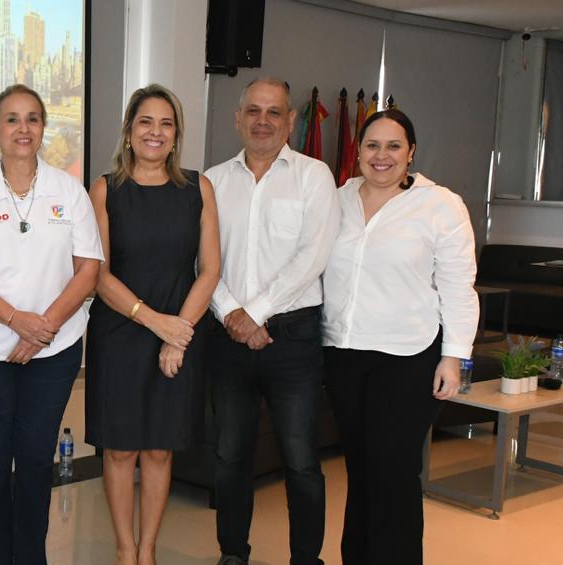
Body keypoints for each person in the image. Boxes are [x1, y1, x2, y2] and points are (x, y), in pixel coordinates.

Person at [0, 84, 103, 565]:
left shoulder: (68, 191)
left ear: (44, 128)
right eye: (12, 119)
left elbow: (88, 268)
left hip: (53, 350)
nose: (23, 128)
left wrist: (43, 328)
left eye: (32, 118)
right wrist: (16, 320)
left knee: (34, 462)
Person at [322, 109, 477, 565]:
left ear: (411, 152)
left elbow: (458, 287)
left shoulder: (441, 205)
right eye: (372, 145)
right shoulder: (339, 198)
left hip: (408, 357)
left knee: (393, 473)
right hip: (345, 354)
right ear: (358, 151)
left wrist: (454, 357)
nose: (382, 156)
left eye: (393, 146)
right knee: (360, 469)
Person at [203, 78, 339, 565]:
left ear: (291, 120)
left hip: (293, 339)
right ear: (237, 118)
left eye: (274, 112)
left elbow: (312, 257)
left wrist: (253, 313)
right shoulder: (211, 182)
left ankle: (306, 558)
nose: (263, 121)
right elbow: (202, 263)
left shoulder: (314, 176)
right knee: (230, 456)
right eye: (254, 111)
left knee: (301, 461)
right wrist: (233, 314)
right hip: (226, 336)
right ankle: (233, 554)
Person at [85, 83, 221, 565]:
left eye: (166, 124)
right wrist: (153, 321)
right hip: (120, 333)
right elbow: (97, 273)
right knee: (120, 451)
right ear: (129, 130)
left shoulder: (197, 188)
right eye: (146, 122)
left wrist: (177, 333)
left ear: (176, 134)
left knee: (160, 451)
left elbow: (210, 271)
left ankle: (148, 552)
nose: (155, 132)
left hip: (180, 334)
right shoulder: (104, 189)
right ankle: (125, 551)